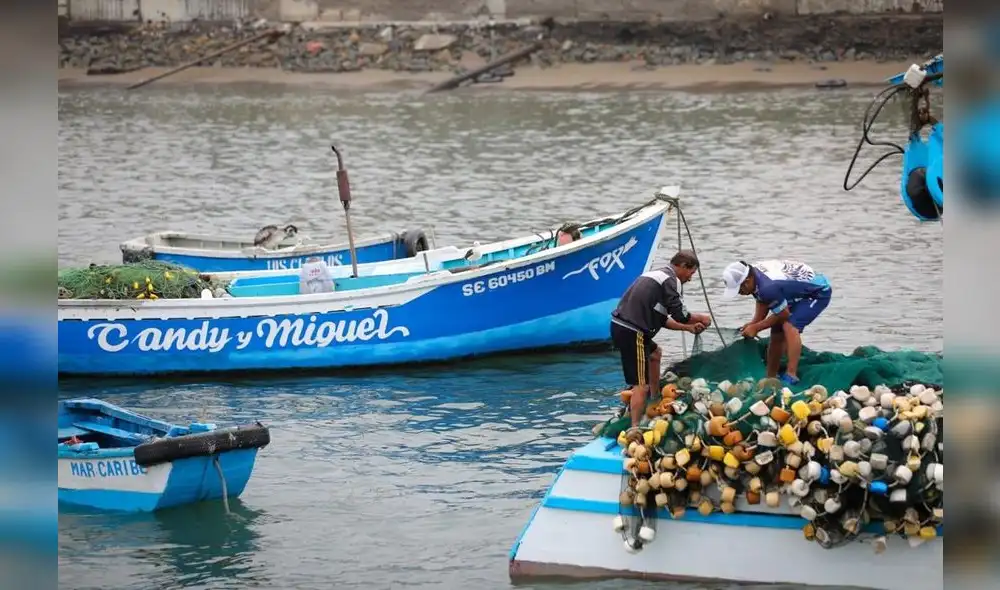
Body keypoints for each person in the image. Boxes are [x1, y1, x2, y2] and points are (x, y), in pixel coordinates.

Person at [610, 250, 713, 429]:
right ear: (683, 266)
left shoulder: (657, 276)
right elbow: (681, 315)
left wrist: (688, 328)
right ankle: (635, 427)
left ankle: (655, 396)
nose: (690, 278)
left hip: (622, 326)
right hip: (633, 332)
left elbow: (662, 318)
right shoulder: (671, 280)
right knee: (640, 384)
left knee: (655, 353)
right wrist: (701, 318)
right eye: (691, 273)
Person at [721, 259, 833, 386]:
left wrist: (756, 328)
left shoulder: (767, 287)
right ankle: (771, 376)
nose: (740, 293)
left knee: (789, 326)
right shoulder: (753, 277)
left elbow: (783, 314)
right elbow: (762, 299)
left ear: (746, 282)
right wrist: (754, 323)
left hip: (817, 292)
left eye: (739, 290)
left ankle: (791, 374)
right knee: (776, 333)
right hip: (792, 293)